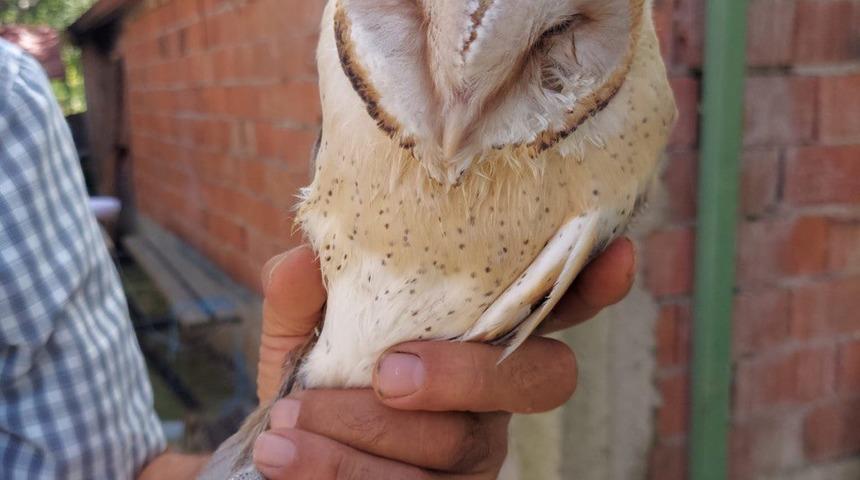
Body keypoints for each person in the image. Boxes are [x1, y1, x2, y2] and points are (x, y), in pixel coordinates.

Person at [0, 38, 636, 479]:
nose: (462, 99)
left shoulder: (11, 108)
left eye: (549, 45)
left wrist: (288, 450)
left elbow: (116, 471)